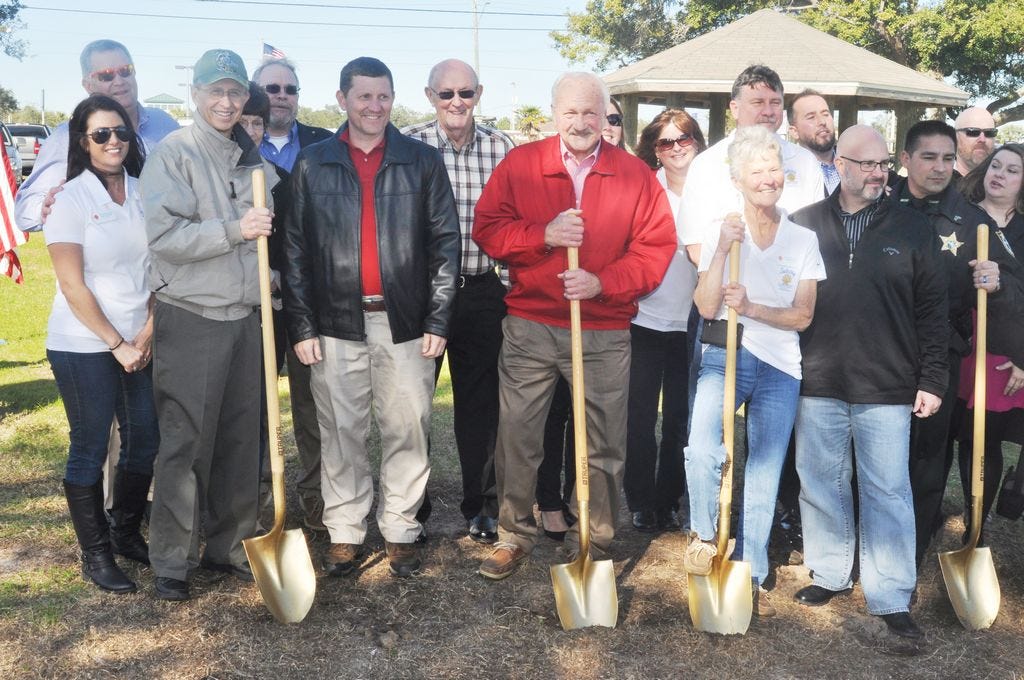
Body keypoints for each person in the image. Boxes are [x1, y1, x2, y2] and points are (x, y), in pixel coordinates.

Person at [472, 71, 676, 580]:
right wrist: (543, 233)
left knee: (604, 441)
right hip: (531, 323)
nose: (582, 122)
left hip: (604, 330)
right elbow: (488, 229)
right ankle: (514, 535)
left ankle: (597, 541)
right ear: (554, 114)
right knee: (518, 434)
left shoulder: (635, 176)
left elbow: (654, 252)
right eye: (571, 112)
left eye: (593, 113)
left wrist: (601, 283)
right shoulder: (522, 164)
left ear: (607, 115)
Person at [283, 56, 460, 579]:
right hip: (334, 322)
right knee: (342, 433)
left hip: (404, 322)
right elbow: (293, 252)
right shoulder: (313, 163)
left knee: (408, 426)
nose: (374, 106)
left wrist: (438, 320)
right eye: (364, 96)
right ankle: (345, 533)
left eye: (383, 96)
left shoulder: (421, 161)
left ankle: (403, 528)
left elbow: (445, 246)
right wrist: (302, 326)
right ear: (342, 99)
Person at [789, 125, 949, 639]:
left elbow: (932, 311)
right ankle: (831, 572)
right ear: (839, 163)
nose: (879, 173)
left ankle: (890, 592)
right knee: (822, 483)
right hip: (818, 378)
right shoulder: (803, 224)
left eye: (884, 164)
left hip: (888, 382)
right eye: (867, 164)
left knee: (888, 489)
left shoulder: (911, 227)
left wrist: (932, 379)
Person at [141, 49, 278, 602]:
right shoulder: (173, 154)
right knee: (186, 443)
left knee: (242, 442)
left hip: (248, 319)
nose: (226, 102)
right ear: (195, 94)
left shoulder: (254, 160)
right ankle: (172, 560)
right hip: (193, 317)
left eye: (235, 93)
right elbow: (164, 240)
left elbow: (268, 235)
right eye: (215, 92)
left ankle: (230, 546)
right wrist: (235, 230)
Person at [683, 125, 824, 617]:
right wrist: (722, 249)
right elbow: (704, 306)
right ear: (737, 179)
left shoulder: (804, 237)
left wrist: (754, 305)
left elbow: (803, 315)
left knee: (763, 467)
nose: (768, 179)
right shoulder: (723, 229)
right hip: (727, 356)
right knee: (703, 449)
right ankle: (704, 535)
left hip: (781, 367)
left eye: (773, 169)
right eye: (756, 171)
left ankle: (752, 557)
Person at [890, 120, 1017, 568]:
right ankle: (870, 540)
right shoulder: (880, 206)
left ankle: (912, 546)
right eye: (929, 157)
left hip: (938, 354)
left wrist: (998, 282)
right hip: (880, 349)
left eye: (948, 158)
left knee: (928, 456)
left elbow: (1015, 291)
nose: (940, 167)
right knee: (875, 453)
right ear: (905, 159)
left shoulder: (974, 222)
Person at [45, 95, 157, 595]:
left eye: (121, 133)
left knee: (146, 438)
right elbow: (73, 285)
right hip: (83, 342)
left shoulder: (143, 192)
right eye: (101, 134)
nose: (114, 142)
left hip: (140, 337)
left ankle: (126, 532)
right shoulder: (70, 198)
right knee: (90, 448)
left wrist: (147, 331)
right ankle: (96, 555)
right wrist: (116, 343)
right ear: (82, 140)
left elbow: (159, 270)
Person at [402, 58, 514, 544]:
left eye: (465, 93)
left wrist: (508, 282)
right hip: (422, 294)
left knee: (482, 405)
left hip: (482, 289)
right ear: (430, 96)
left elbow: (514, 218)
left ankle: (483, 505)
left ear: (479, 93)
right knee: (412, 405)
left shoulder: (501, 147)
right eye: (446, 94)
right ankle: (411, 509)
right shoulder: (408, 144)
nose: (456, 103)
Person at [252, 58, 333, 532]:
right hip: (253, 296)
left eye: (289, 88)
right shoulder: (238, 143)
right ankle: (260, 496)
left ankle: (318, 498)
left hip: (310, 296)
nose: (280, 95)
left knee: (312, 401)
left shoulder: (324, 144)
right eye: (270, 88)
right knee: (255, 400)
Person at [625, 109, 706, 533]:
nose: (676, 148)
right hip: (644, 317)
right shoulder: (642, 188)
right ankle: (639, 499)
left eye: (684, 138)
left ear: (697, 140)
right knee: (638, 417)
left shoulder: (714, 190)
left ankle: (668, 498)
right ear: (653, 149)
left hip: (692, 322)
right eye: (665, 142)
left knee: (681, 416)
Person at [16, 39, 178, 233]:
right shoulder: (67, 136)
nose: (119, 81)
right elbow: (25, 209)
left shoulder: (165, 124)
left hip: (171, 250)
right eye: (106, 76)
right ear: (88, 85)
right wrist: (45, 207)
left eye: (126, 70)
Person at [680, 64, 823, 262]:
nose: (768, 111)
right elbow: (695, 245)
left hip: (790, 285)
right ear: (735, 109)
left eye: (775, 102)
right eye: (757, 102)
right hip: (728, 286)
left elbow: (816, 234)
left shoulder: (805, 162)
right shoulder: (706, 165)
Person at [955, 144, 1024, 543]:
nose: (999, 173)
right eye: (995, 165)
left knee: (989, 436)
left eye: (1012, 170)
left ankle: (978, 527)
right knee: (966, 434)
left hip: (1007, 347)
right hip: (965, 340)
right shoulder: (961, 215)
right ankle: (971, 515)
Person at [787, 89, 839, 195]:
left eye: (825, 114)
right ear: (794, 132)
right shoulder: (785, 174)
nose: (822, 122)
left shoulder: (856, 164)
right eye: (811, 117)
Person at [953, 107, 998, 180]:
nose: (982, 139)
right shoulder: (937, 182)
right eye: (973, 132)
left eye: (989, 133)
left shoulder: (1003, 184)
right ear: (955, 136)